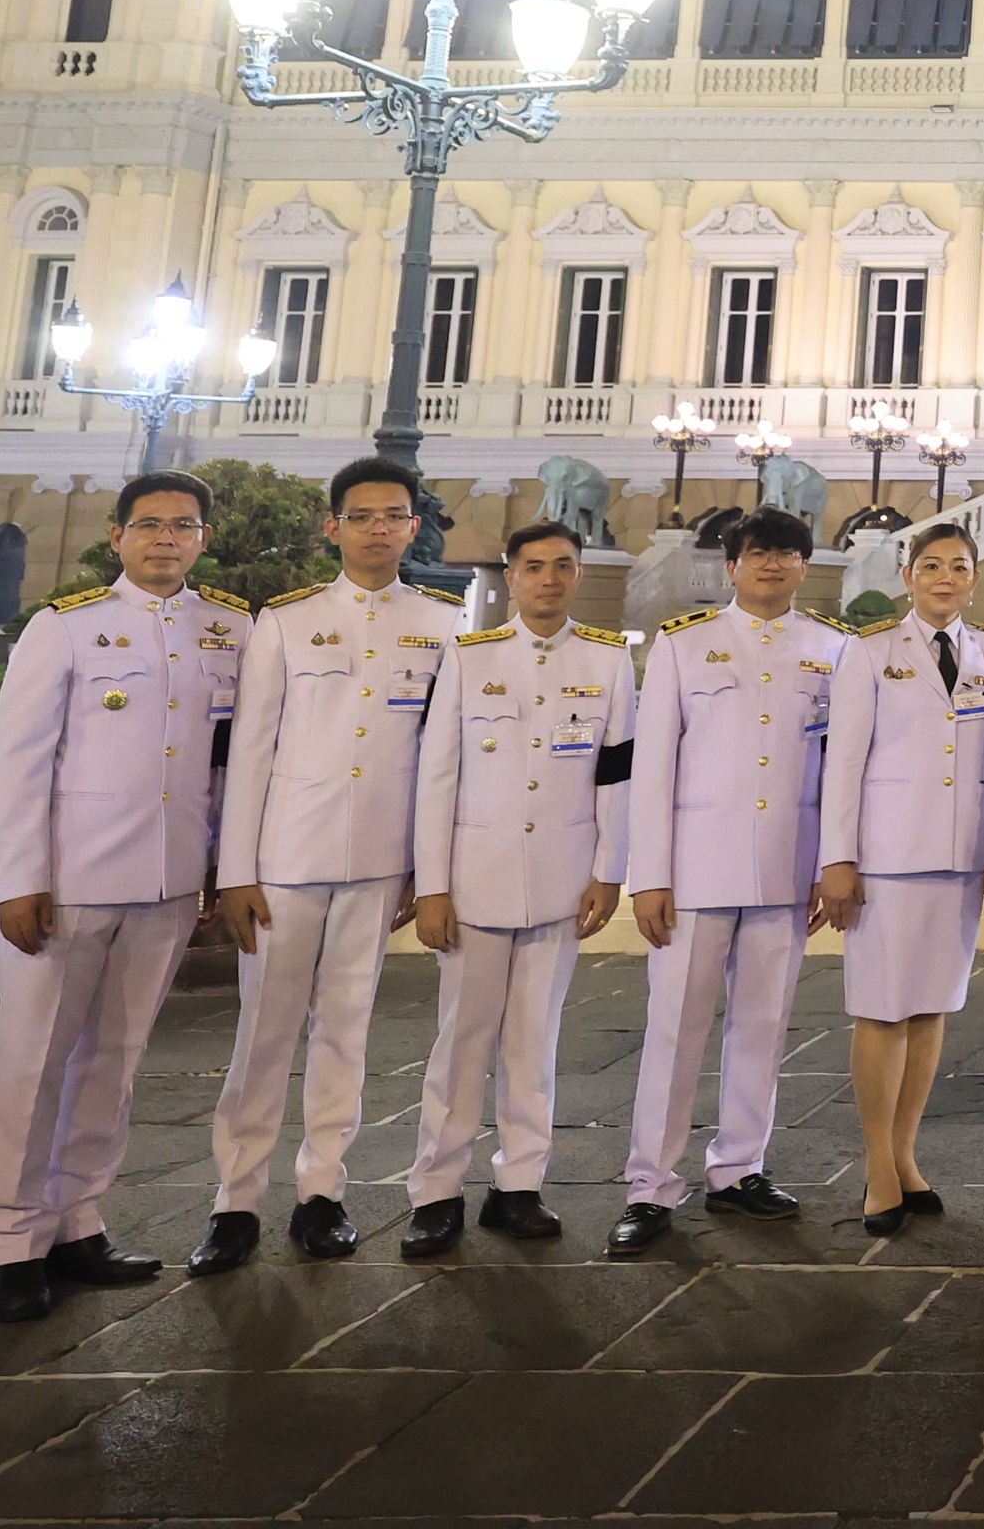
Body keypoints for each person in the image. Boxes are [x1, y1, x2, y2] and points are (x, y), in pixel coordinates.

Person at [0, 471, 249, 1321]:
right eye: (150, 525)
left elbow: (227, 765)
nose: (167, 539)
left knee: (114, 1064)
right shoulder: (66, 627)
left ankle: (79, 1219)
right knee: (33, 1063)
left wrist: (216, 866)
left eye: (184, 527)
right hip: (70, 883)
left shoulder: (229, 629)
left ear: (203, 539)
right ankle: (14, 1242)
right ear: (118, 537)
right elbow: (18, 762)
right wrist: (21, 880)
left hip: (165, 883)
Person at [197, 456, 468, 1271]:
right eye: (362, 515)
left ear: (414, 528)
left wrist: (429, 868)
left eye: (394, 515)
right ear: (334, 528)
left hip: (380, 860)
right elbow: (249, 755)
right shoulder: (285, 621)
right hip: (287, 857)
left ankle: (321, 1192)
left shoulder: (444, 625)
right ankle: (236, 1201)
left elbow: (442, 758)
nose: (378, 528)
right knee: (264, 1034)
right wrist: (236, 869)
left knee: (345, 1032)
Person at [400, 519, 633, 1257]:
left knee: (536, 1041)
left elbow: (615, 775)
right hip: (475, 881)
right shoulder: (469, 657)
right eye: (534, 567)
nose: (550, 580)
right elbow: (436, 778)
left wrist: (609, 869)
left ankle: (520, 1185)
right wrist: (432, 886)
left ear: (578, 575)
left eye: (563, 567)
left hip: (561, 880)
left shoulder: (608, 661)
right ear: (510, 574)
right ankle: (436, 1192)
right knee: (461, 1043)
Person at [614, 506, 844, 1256]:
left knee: (764, 1024)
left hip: (786, 864)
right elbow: (651, 770)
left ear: (804, 566)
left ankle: (739, 1165)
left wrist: (830, 862)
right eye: (757, 554)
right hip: (695, 869)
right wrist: (648, 875)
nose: (771, 565)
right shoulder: (687, 646)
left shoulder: (832, 650)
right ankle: (651, 1184)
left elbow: (840, 769)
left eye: (785, 554)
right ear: (733, 566)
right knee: (675, 1027)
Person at [814, 518, 984, 1235]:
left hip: (961, 853)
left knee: (930, 1010)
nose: (944, 579)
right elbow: (843, 760)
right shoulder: (868, 652)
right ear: (908, 575)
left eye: (958, 567)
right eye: (931, 566)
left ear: (974, 578)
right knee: (881, 1009)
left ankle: (905, 1156)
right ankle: (875, 1165)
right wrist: (837, 857)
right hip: (888, 857)